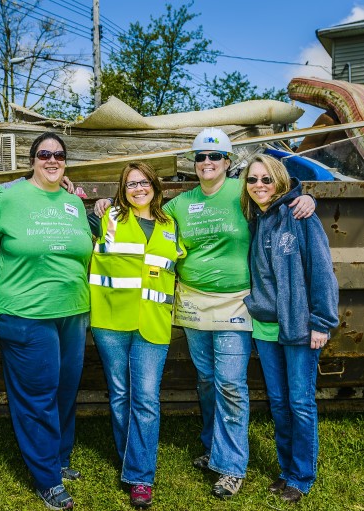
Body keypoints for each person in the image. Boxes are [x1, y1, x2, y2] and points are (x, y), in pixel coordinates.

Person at [94, 127, 315, 499]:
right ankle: (213, 447)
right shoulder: (179, 206)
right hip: (194, 306)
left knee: (231, 383)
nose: (207, 163)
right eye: (200, 157)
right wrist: (102, 204)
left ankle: (230, 467)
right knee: (208, 382)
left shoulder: (242, 193)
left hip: (235, 304)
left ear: (228, 163)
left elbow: (275, 197)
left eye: (215, 157)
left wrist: (306, 200)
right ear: (193, 164)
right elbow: (139, 221)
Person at [0, 132, 93, 511]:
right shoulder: (7, 198)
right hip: (27, 313)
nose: (52, 160)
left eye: (59, 155)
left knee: (65, 390)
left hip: (74, 311)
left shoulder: (72, 203)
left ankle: (60, 459)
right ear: (31, 160)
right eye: (44, 154)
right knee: (38, 396)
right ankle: (47, 478)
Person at [240, 154, 339, 504]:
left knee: (300, 403)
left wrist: (322, 322)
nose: (259, 186)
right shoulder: (255, 219)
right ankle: (285, 471)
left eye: (266, 179)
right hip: (266, 328)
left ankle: (301, 476)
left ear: (280, 180)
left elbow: (322, 270)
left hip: (299, 327)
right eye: (252, 179)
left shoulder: (299, 215)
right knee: (280, 404)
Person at [88, 162, 184, 508]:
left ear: (155, 187)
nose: (138, 189)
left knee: (145, 398)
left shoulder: (171, 225)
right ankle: (132, 460)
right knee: (119, 395)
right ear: (122, 189)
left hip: (153, 324)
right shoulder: (107, 218)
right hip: (111, 322)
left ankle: (140, 477)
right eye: (130, 184)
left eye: (144, 183)